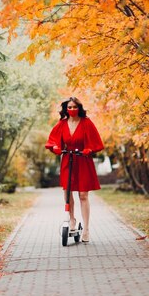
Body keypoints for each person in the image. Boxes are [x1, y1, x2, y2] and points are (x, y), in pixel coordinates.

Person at [45, 97, 104, 243]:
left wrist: (89, 149)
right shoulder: (62, 124)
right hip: (68, 160)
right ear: (66, 109)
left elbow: (96, 142)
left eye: (74, 107)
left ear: (79, 108)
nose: (72, 110)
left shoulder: (86, 123)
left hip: (83, 160)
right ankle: (71, 220)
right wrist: (55, 147)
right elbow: (52, 140)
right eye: (69, 107)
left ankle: (87, 229)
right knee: (67, 192)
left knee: (83, 195)